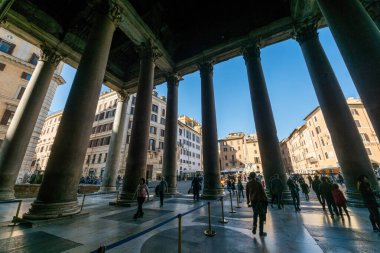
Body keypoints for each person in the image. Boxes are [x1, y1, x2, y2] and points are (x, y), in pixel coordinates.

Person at [246, 172, 268, 237]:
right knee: (261, 216)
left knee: (255, 214)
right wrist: (266, 199)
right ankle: (261, 232)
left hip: (253, 201)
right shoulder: (258, 183)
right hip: (260, 201)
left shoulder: (248, 184)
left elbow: (247, 193)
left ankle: (254, 228)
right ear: (255, 176)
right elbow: (263, 192)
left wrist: (248, 201)